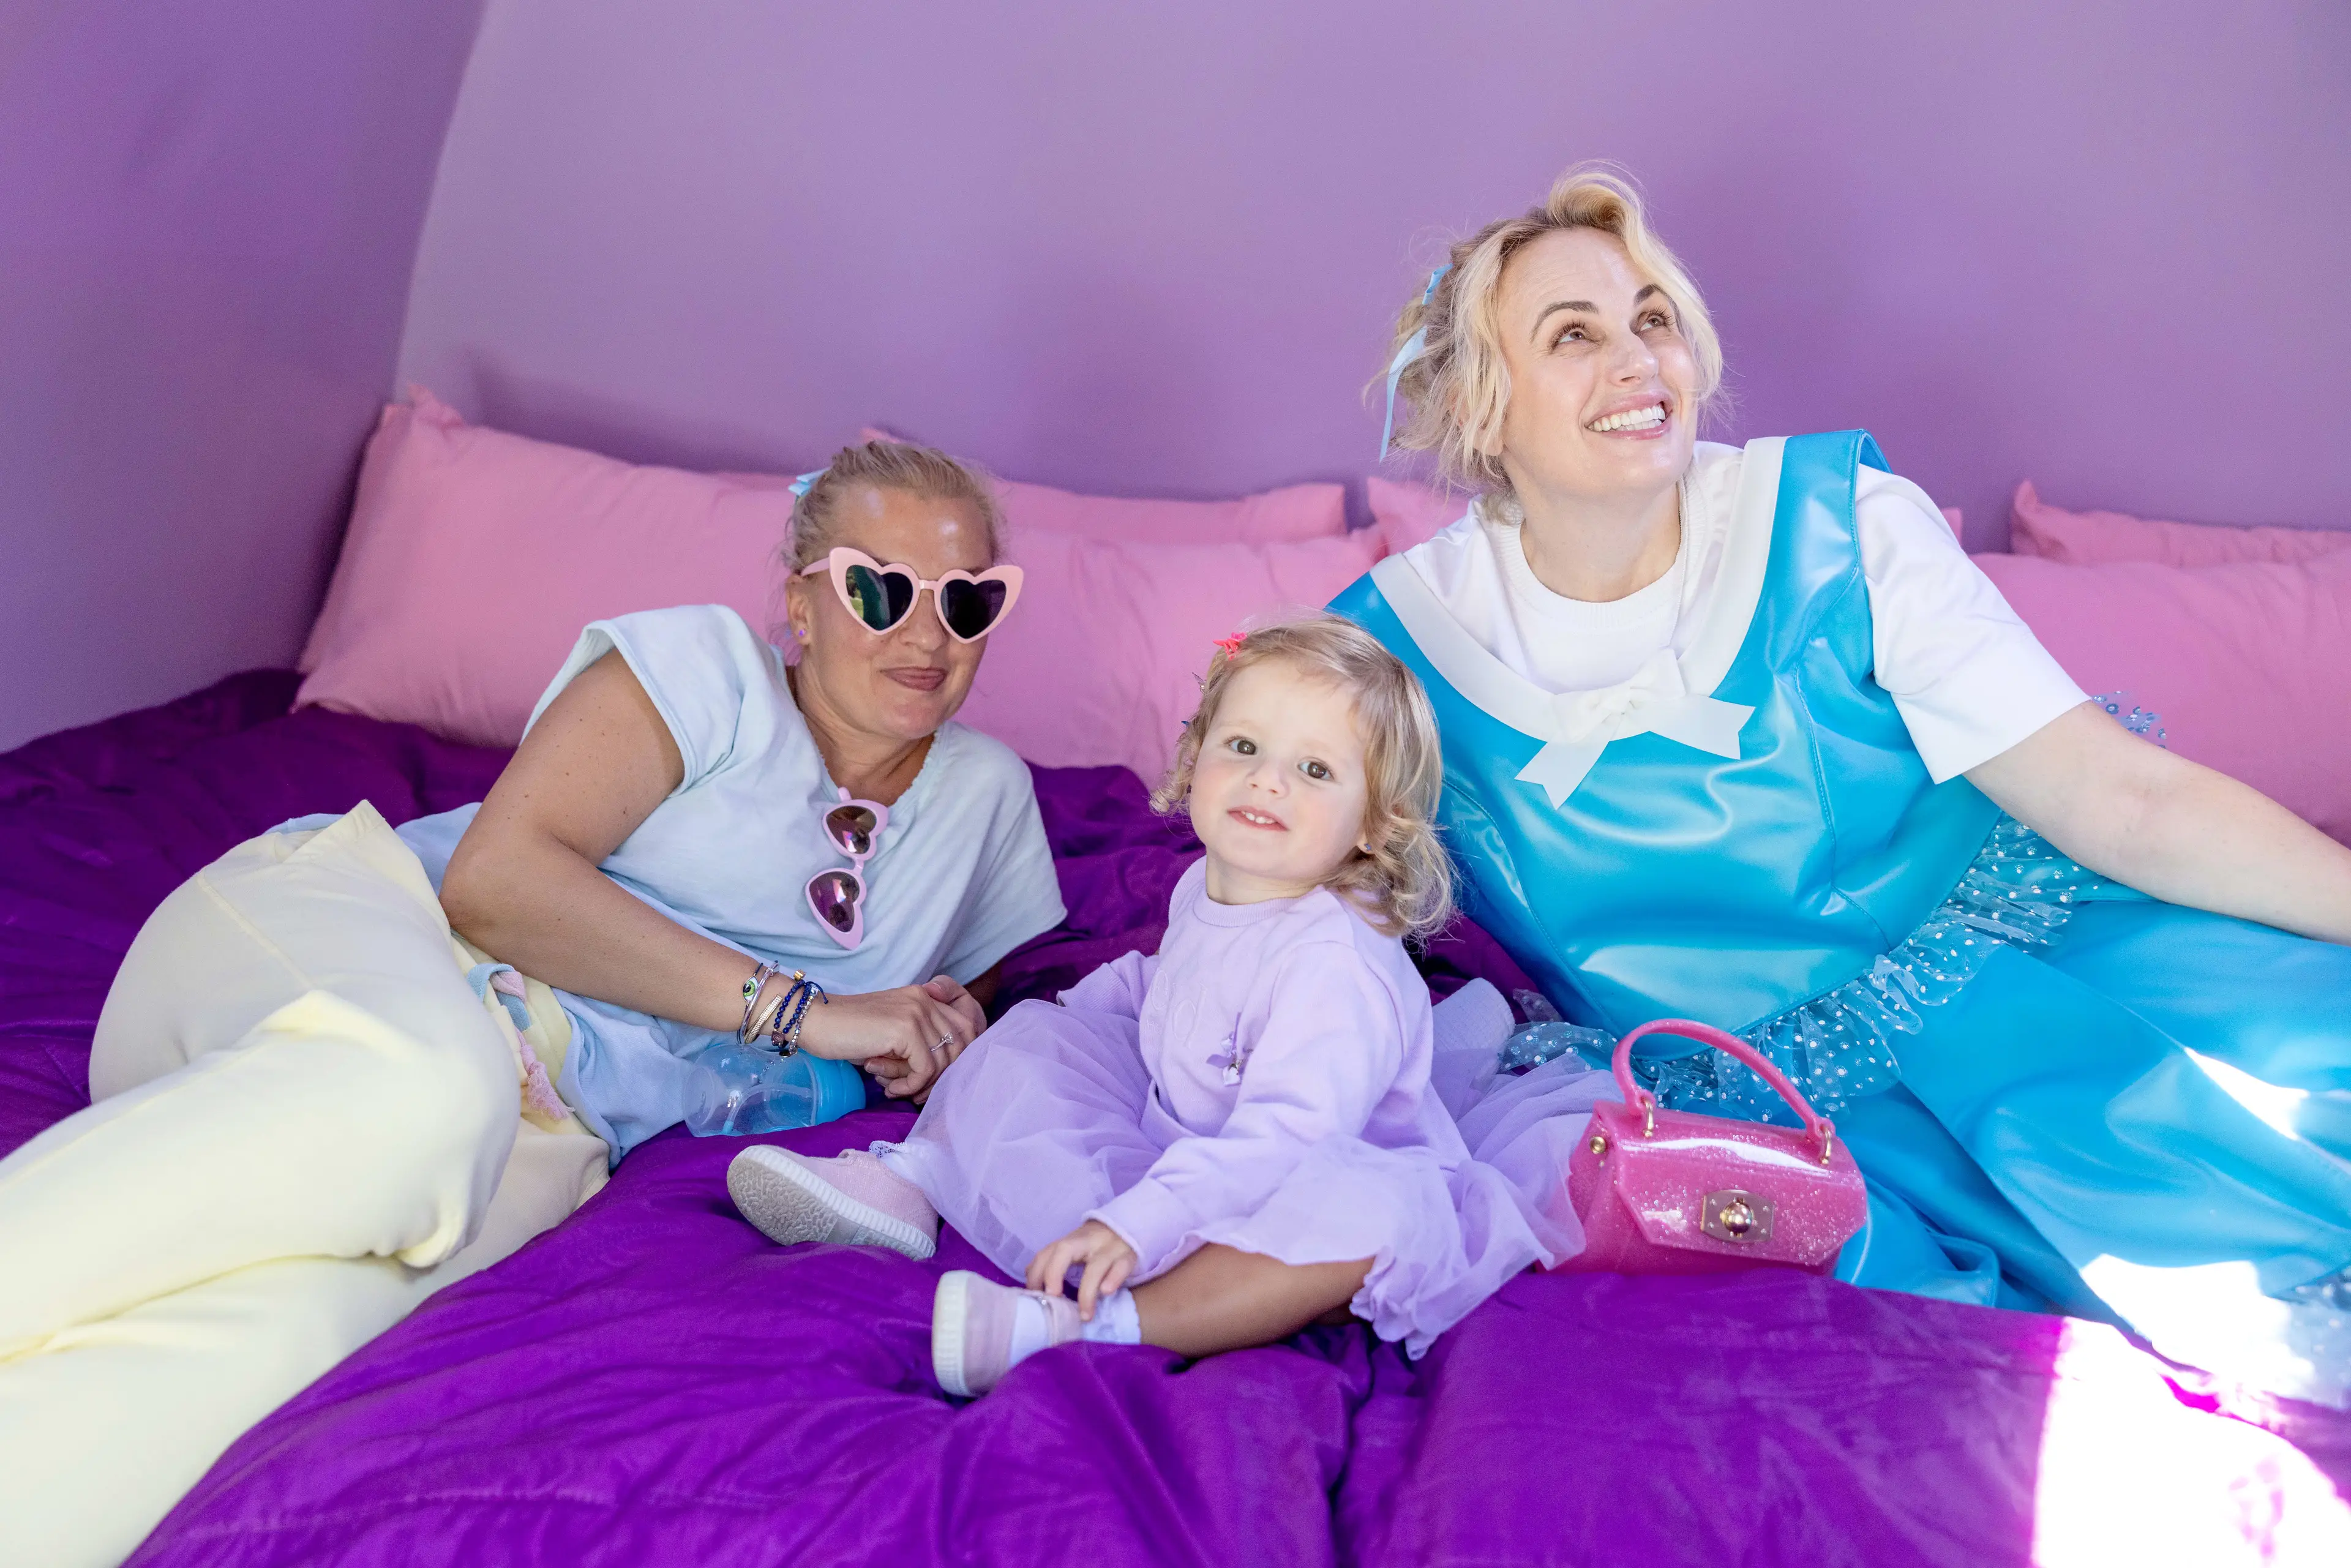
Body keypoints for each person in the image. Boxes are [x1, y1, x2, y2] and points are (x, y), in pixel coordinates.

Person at [1329, 165, 2351, 1400]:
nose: (1639, 359)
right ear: (1483, 408)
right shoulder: (1390, 652)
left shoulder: (1837, 522)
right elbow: (1301, 903)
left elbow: (2119, 799)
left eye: (1653, 318)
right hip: (1734, 1119)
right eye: (1575, 335)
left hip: (2023, 983)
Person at [0, 440, 1065, 1563]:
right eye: (880, 588)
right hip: (363, 949)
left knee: (314, 1335)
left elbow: (948, 1021)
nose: (928, 630)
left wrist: (924, 1046)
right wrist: (805, 1012)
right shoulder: (706, 669)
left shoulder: (989, 801)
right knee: (423, 1098)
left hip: (558, 1121)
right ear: (802, 602)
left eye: (969, 599)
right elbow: (497, 886)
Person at [731, 615, 1594, 1395]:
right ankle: (914, 1179)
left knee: (1366, 1219)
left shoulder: (1340, 971)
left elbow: (1288, 1138)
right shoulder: (1208, 882)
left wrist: (1140, 1220)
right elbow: (1165, 981)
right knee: (1031, 1035)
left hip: (1295, 1170)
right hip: (1188, 1138)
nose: (1268, 784)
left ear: (1375, 823)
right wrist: (1062, 1019)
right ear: (1194, 759)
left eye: (1316, 769)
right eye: (1245, 747)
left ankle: (1094, 1326)